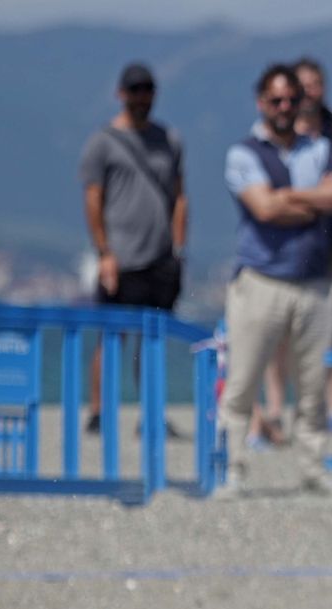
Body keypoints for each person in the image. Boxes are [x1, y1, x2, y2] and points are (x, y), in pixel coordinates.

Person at [215, 63, 332, 497]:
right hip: (262, 280)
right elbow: (265, 210)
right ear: (261, 102)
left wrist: (288, 197)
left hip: (314, 282)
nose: (283, 107)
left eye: (290, 100)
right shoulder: (243, 152)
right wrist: (314, 201)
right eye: (275, 100)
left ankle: (314, 466)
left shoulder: (320, 147)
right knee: (243, 379)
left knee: (313, 385)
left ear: (300, 103)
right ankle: (234, 467)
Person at [249, 57, 332, 448]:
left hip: (331, 248)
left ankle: (331, 407)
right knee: (277, 332)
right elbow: (265, 202)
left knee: (331, 330)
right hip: (283, 249)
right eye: (303, 86)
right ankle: (274, 409)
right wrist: (314, 200)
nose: (308, 93)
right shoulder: (271, 139)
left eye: (316, 83)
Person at [79, 62, 188, 436]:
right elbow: (93, 200)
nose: (142, 96)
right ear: (121, 93)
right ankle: (98, 411)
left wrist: (179, 248)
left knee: (153, 340)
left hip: (160, 257)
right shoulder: (102, 142)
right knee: (111, 337)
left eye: (147, 89)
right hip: (121, 257)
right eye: (135, 89)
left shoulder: (169, 140)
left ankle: (151, 413)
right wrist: (104, 252)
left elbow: (179, 196)